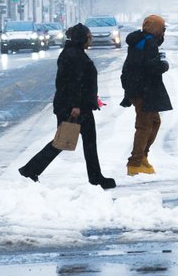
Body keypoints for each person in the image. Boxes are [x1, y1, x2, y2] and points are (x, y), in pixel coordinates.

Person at [18, 22, 116, 190]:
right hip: (75, 108)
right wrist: (76, 105)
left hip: (76, 106)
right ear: (82, 38)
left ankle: (95, 177)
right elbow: (73, 83)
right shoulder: (74, 55)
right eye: (89, 36)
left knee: (79, 142)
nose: (91, 39)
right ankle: (30, 169)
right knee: (64, 142)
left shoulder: (73, 53)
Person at [120, 14, 172, 176]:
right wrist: (163, 65)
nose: (163, 31)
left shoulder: (140, 40)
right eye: (162, 28)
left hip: (137, 87)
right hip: (143, 89)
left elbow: (135, 64)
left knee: (154, 121)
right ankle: (135, 163)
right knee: (144, 125)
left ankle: (142, 156)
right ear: (156, 28)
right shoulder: (148, 42)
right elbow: (150, 67)